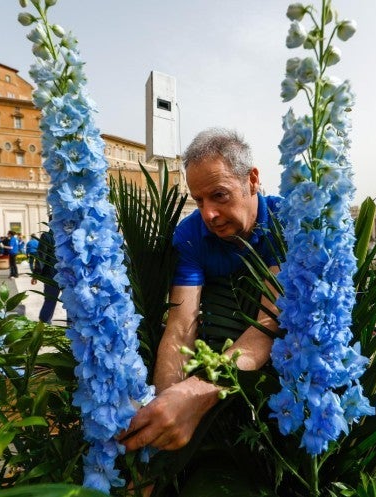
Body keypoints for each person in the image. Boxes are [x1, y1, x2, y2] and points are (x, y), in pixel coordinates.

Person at [121, 128, 282, 452]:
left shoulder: (284, 222)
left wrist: (195, 392)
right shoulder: (191, 233)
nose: (207, 214)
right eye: (198, 200)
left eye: (219, 195)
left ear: (252, 180)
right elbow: (181, 328)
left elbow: (266, 327)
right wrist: (164, 411)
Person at [30, 230, 59, 323]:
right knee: (70, 302)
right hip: (69, 275)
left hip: (51, 275)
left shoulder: (47, 236)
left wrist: (36, 274)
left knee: (50, 300)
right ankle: (71, 329)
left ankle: (44, 324)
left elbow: (41, 256)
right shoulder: (70, 234)